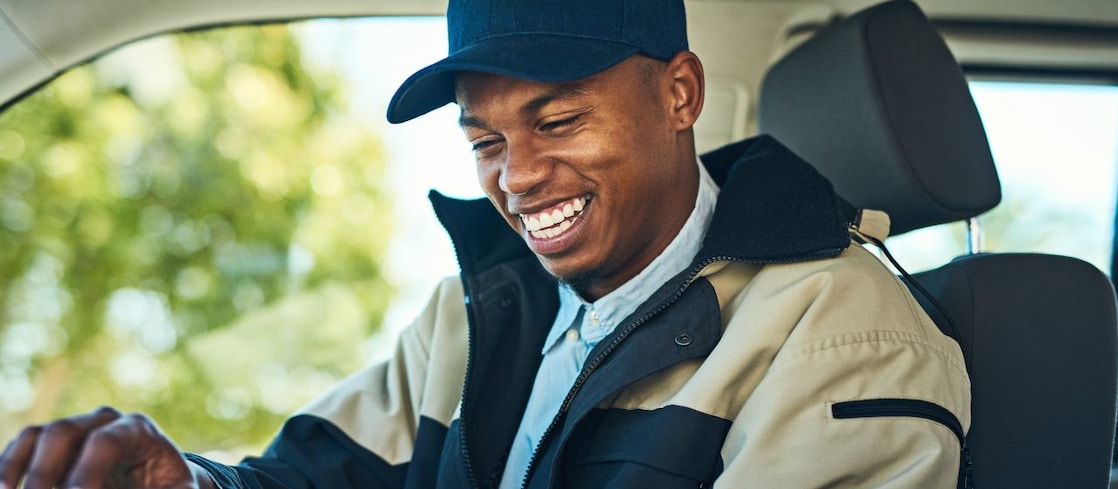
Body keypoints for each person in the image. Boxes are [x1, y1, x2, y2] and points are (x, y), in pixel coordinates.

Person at [0, 0, 971, 487]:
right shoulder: (478, 311)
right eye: (484, 141)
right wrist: (189, 483)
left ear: (678, 94)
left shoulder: (841, 336)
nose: (516, 175)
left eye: (556, 122)